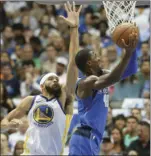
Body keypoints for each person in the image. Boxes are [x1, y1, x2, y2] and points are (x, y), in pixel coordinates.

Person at [1, 2, 82, 155]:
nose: (56, 80)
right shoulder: (30, 100)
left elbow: (73, 65)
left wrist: (74, 29)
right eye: (52, 79)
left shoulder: (65, 98)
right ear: (42, 86)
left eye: (57, 79)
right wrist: (10, 125)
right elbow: (3, 123)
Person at [69, 25, 139, 155]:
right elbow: (114, 77)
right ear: (89, 63)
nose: (99, 58)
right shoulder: (85, 83)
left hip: (93, 138)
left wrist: (133, 50)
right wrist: (127, 54)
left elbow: (130, 70)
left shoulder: (103, 74)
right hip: (84, 137)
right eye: (95, 55)